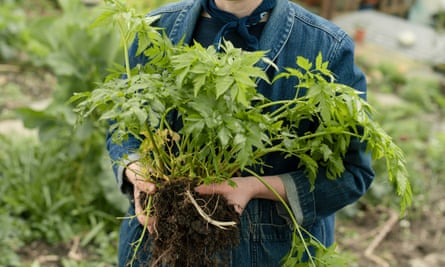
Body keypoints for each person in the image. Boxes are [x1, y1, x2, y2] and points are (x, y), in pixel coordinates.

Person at [106, 0, 375, 266]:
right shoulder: (156, 27)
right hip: (154, 247)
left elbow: (351, 174)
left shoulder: (326, 46)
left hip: (268, 253)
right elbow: (123, 123)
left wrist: (255, 187)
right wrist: (134, 165)